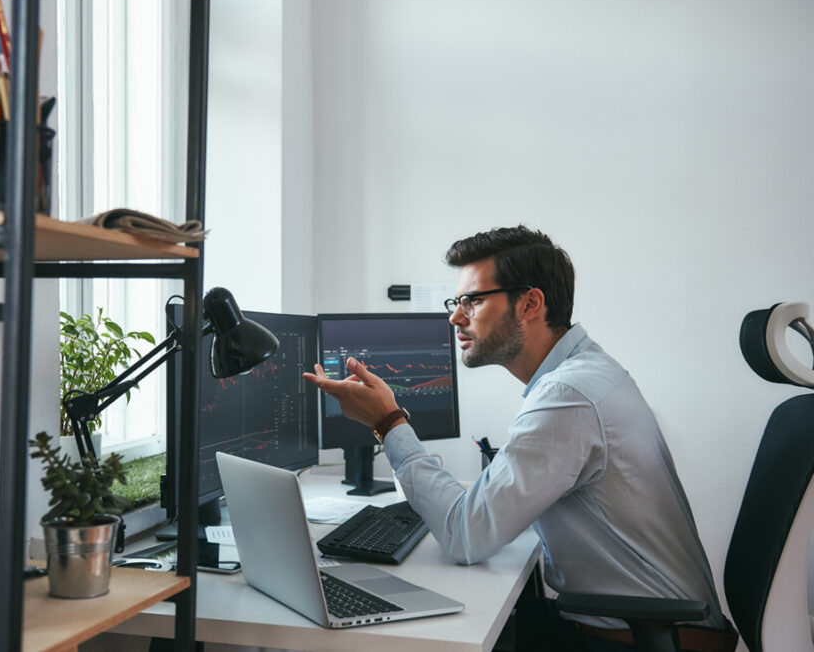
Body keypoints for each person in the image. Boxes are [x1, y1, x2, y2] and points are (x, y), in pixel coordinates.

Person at [303, 226, 736, 652]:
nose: (455, 315)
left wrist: (389, 422)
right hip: (646, 628)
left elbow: (464, 537)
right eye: (456, 301)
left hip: (638, 641)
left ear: (530, 303)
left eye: (471, 300)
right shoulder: (586, 372)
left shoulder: (569, 395)